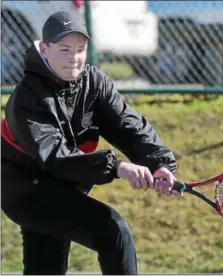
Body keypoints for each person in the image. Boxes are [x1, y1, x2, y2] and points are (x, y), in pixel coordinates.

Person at [1, 11, 181, 275]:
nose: (73, 58)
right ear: (44, 48)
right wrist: (118, 167)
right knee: (112, 230)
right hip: (26, 192)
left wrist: (160, 164)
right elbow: (55, 156)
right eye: (64, 49)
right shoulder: (27, 98)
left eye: (80, 49)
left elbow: (129, 126)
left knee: (45, 268)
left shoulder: (94, 83)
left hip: (65, 187)